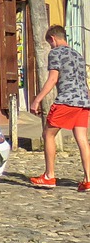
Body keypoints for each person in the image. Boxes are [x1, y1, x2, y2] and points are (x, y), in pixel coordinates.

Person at [29, 24, 90, 190]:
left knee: (48, 134)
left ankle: (49, 176)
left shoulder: (55, 53)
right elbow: (84, 82)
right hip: (83, 101)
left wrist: (37, 100)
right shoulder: (78, 55)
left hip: (66, 101)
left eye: (49, 43)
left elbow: (53, 79)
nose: (50, 46)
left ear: (53, 39)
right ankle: (88, 179)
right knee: (82, 139)